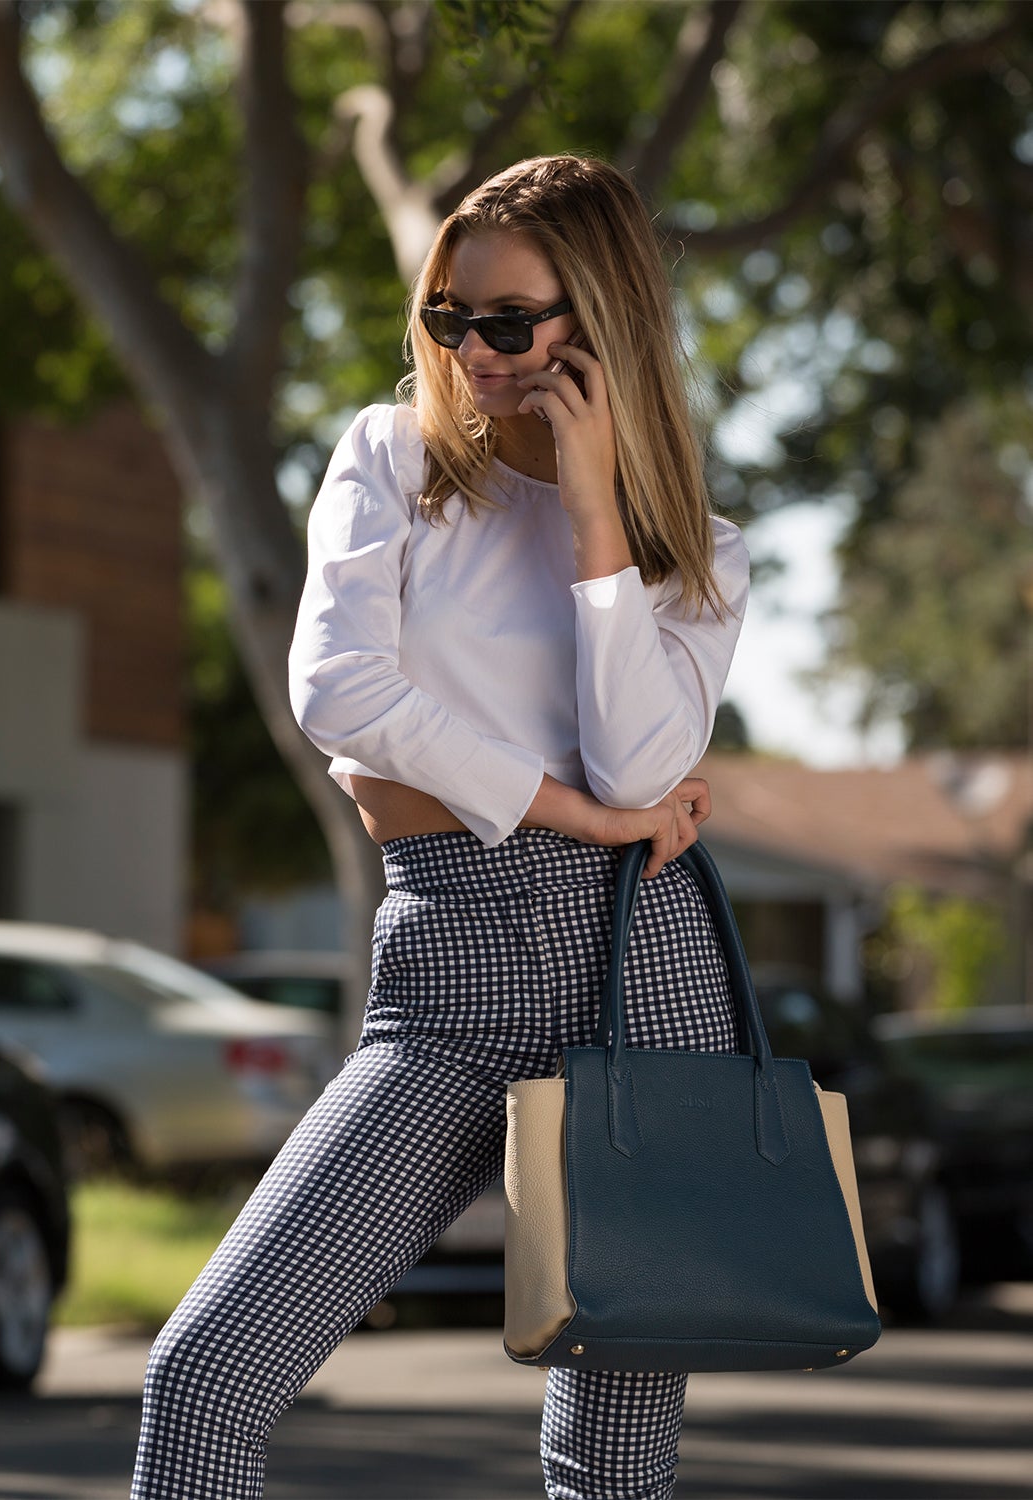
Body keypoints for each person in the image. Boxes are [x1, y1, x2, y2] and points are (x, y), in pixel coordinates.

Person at [130, 153, 750, 1500]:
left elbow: (651, 756)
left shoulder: (698, 551)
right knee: (202, 1386)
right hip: (452, 972)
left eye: (508, 321)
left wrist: (597, 518)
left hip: (641, 985)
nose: (472, 350)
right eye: (449, 317)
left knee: (609, 1469)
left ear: (600, 322)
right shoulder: (393, 459)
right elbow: (333, 690)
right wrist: (568, 803)